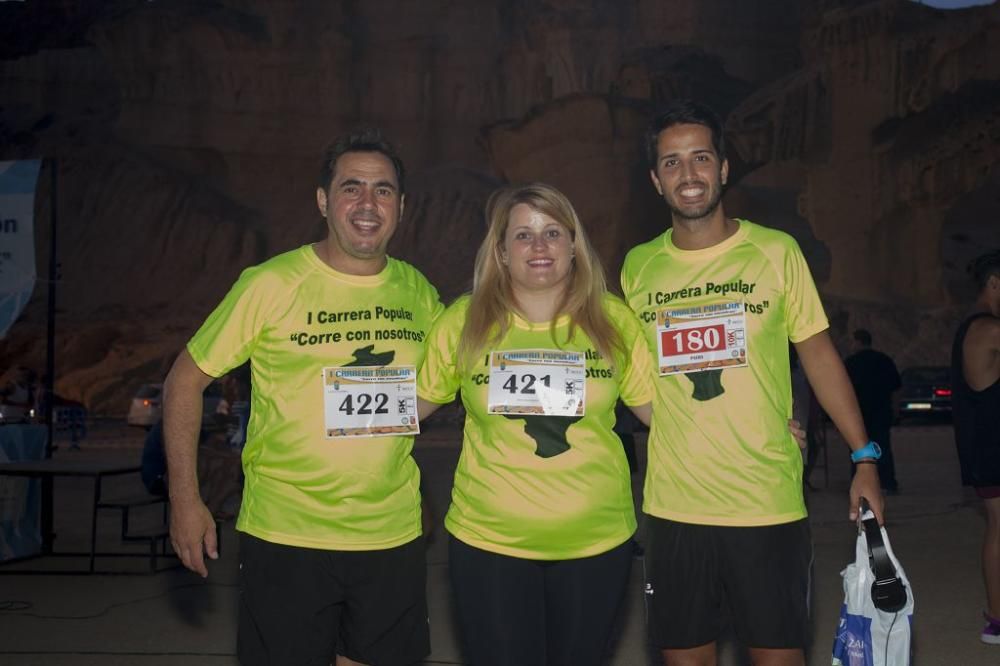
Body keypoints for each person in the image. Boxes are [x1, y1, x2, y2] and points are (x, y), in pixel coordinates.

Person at [620, 99, 884, 666]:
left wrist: (864, 457)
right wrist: (679, 420)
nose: (687, 175)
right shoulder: (637, 266)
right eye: (671, 163)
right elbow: (635, 375)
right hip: (675, 509)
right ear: (654, 180)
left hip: (766, 505)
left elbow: (817, 355)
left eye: (700, 158)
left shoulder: (774, 252)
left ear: (722, 168)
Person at [163, 128, 442, 666]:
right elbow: (184, 380)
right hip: (287, 533)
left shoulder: (419, 291)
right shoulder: (270, 284)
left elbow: (426, 392)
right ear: (323, 199)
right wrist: (185, 499)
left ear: (401, 207)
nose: (367, 203)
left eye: (383, 190)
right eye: (351, 187)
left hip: (390, 536)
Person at [416, 183, 655, 666]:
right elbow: (400, 408)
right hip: (490, 544)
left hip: (597, 543)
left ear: (573, 245)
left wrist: (764, 430)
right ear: (501, 252)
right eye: (522, 235)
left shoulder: (615, 322)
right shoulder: (464, 322)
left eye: (551, 232)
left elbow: (671, 418)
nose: (539, 246)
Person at [952, 250, 1000, 645]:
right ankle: (997, 619)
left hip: (987, 446)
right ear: (995, 283)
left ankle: (997, 618)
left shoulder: (971, 326)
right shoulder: (990, 329)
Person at [844, 328, 902, 493]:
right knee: (882, 447)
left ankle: (861, 483)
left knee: (858, 450)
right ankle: (887, 483)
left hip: (858, 415)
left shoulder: (850, 363)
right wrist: (896, 410)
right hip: (881, 412)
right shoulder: (884, 360)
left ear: (858, 342)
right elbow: (896, 389)